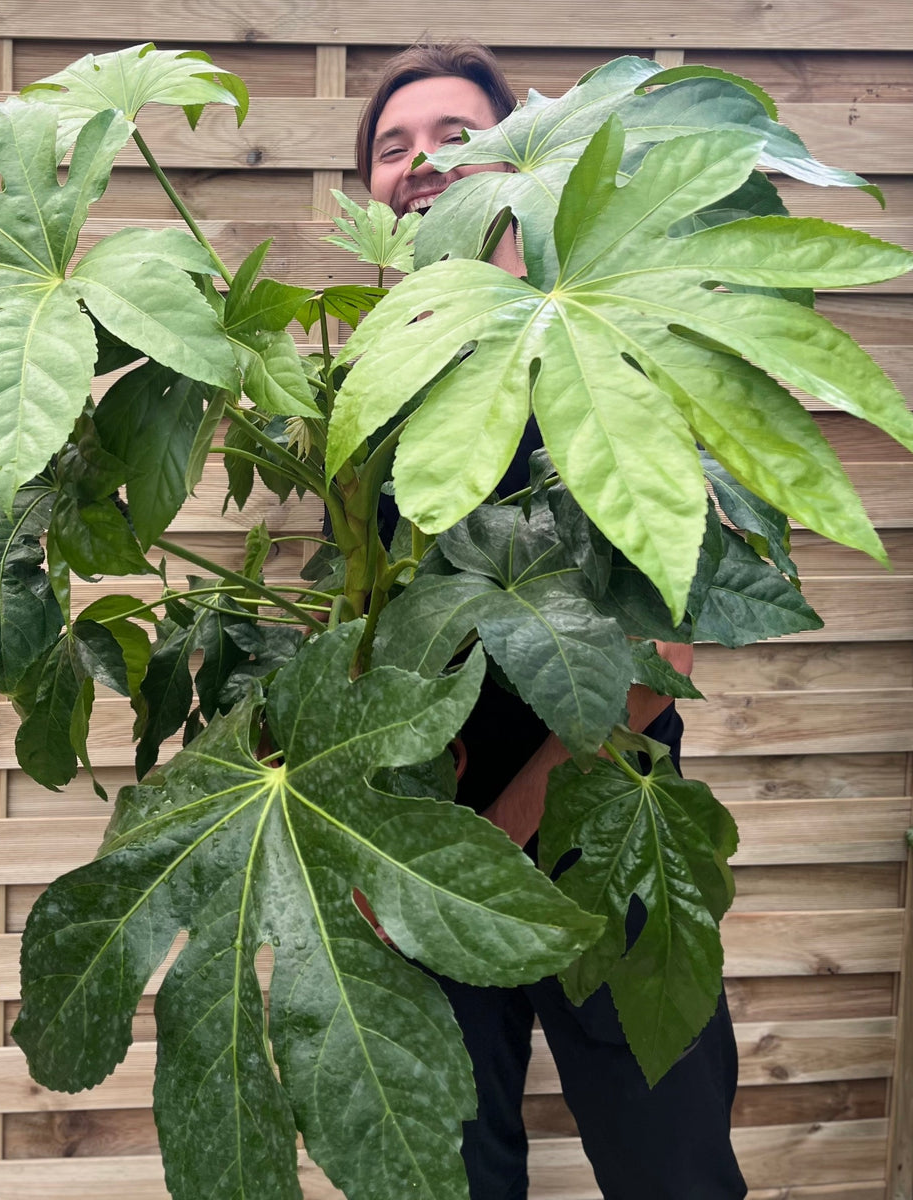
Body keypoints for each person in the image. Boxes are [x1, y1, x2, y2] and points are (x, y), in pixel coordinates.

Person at [353, 43, 748, 1200]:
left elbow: (657, 660)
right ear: (370, 194)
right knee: (455, 1177)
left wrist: (491, 852)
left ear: (517, 171)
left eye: (452, 138)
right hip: (434, 874)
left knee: (673, 1171)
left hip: (598, 847)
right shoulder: (376, 394)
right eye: (391, 146)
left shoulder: (602, 354)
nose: (421, 160)